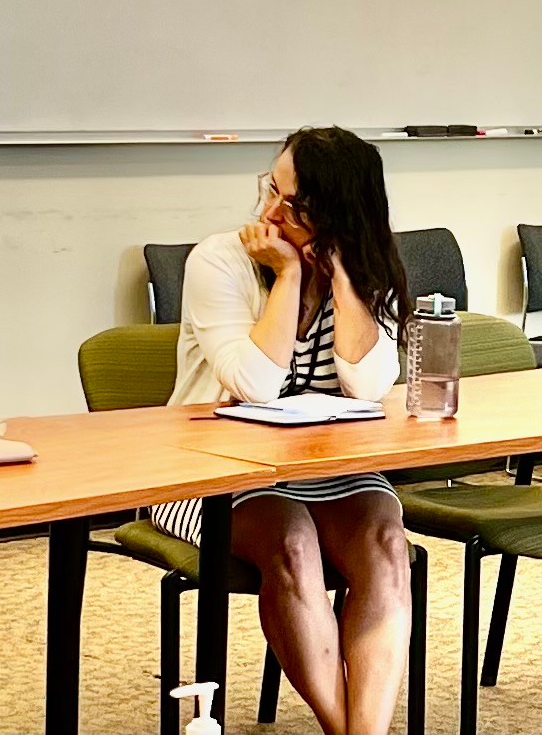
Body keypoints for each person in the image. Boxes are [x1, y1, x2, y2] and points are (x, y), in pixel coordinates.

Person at [153, 126, 413, 735]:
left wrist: (341, 276)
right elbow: (255, 384)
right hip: (208, 472)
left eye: (293, 205)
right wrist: (290, 275)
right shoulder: (219, 261)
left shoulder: (363, 266)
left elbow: (370, 384)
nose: (270, 211)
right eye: (271, 187)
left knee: (386, 544)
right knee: (292, 540)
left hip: (324, 466)